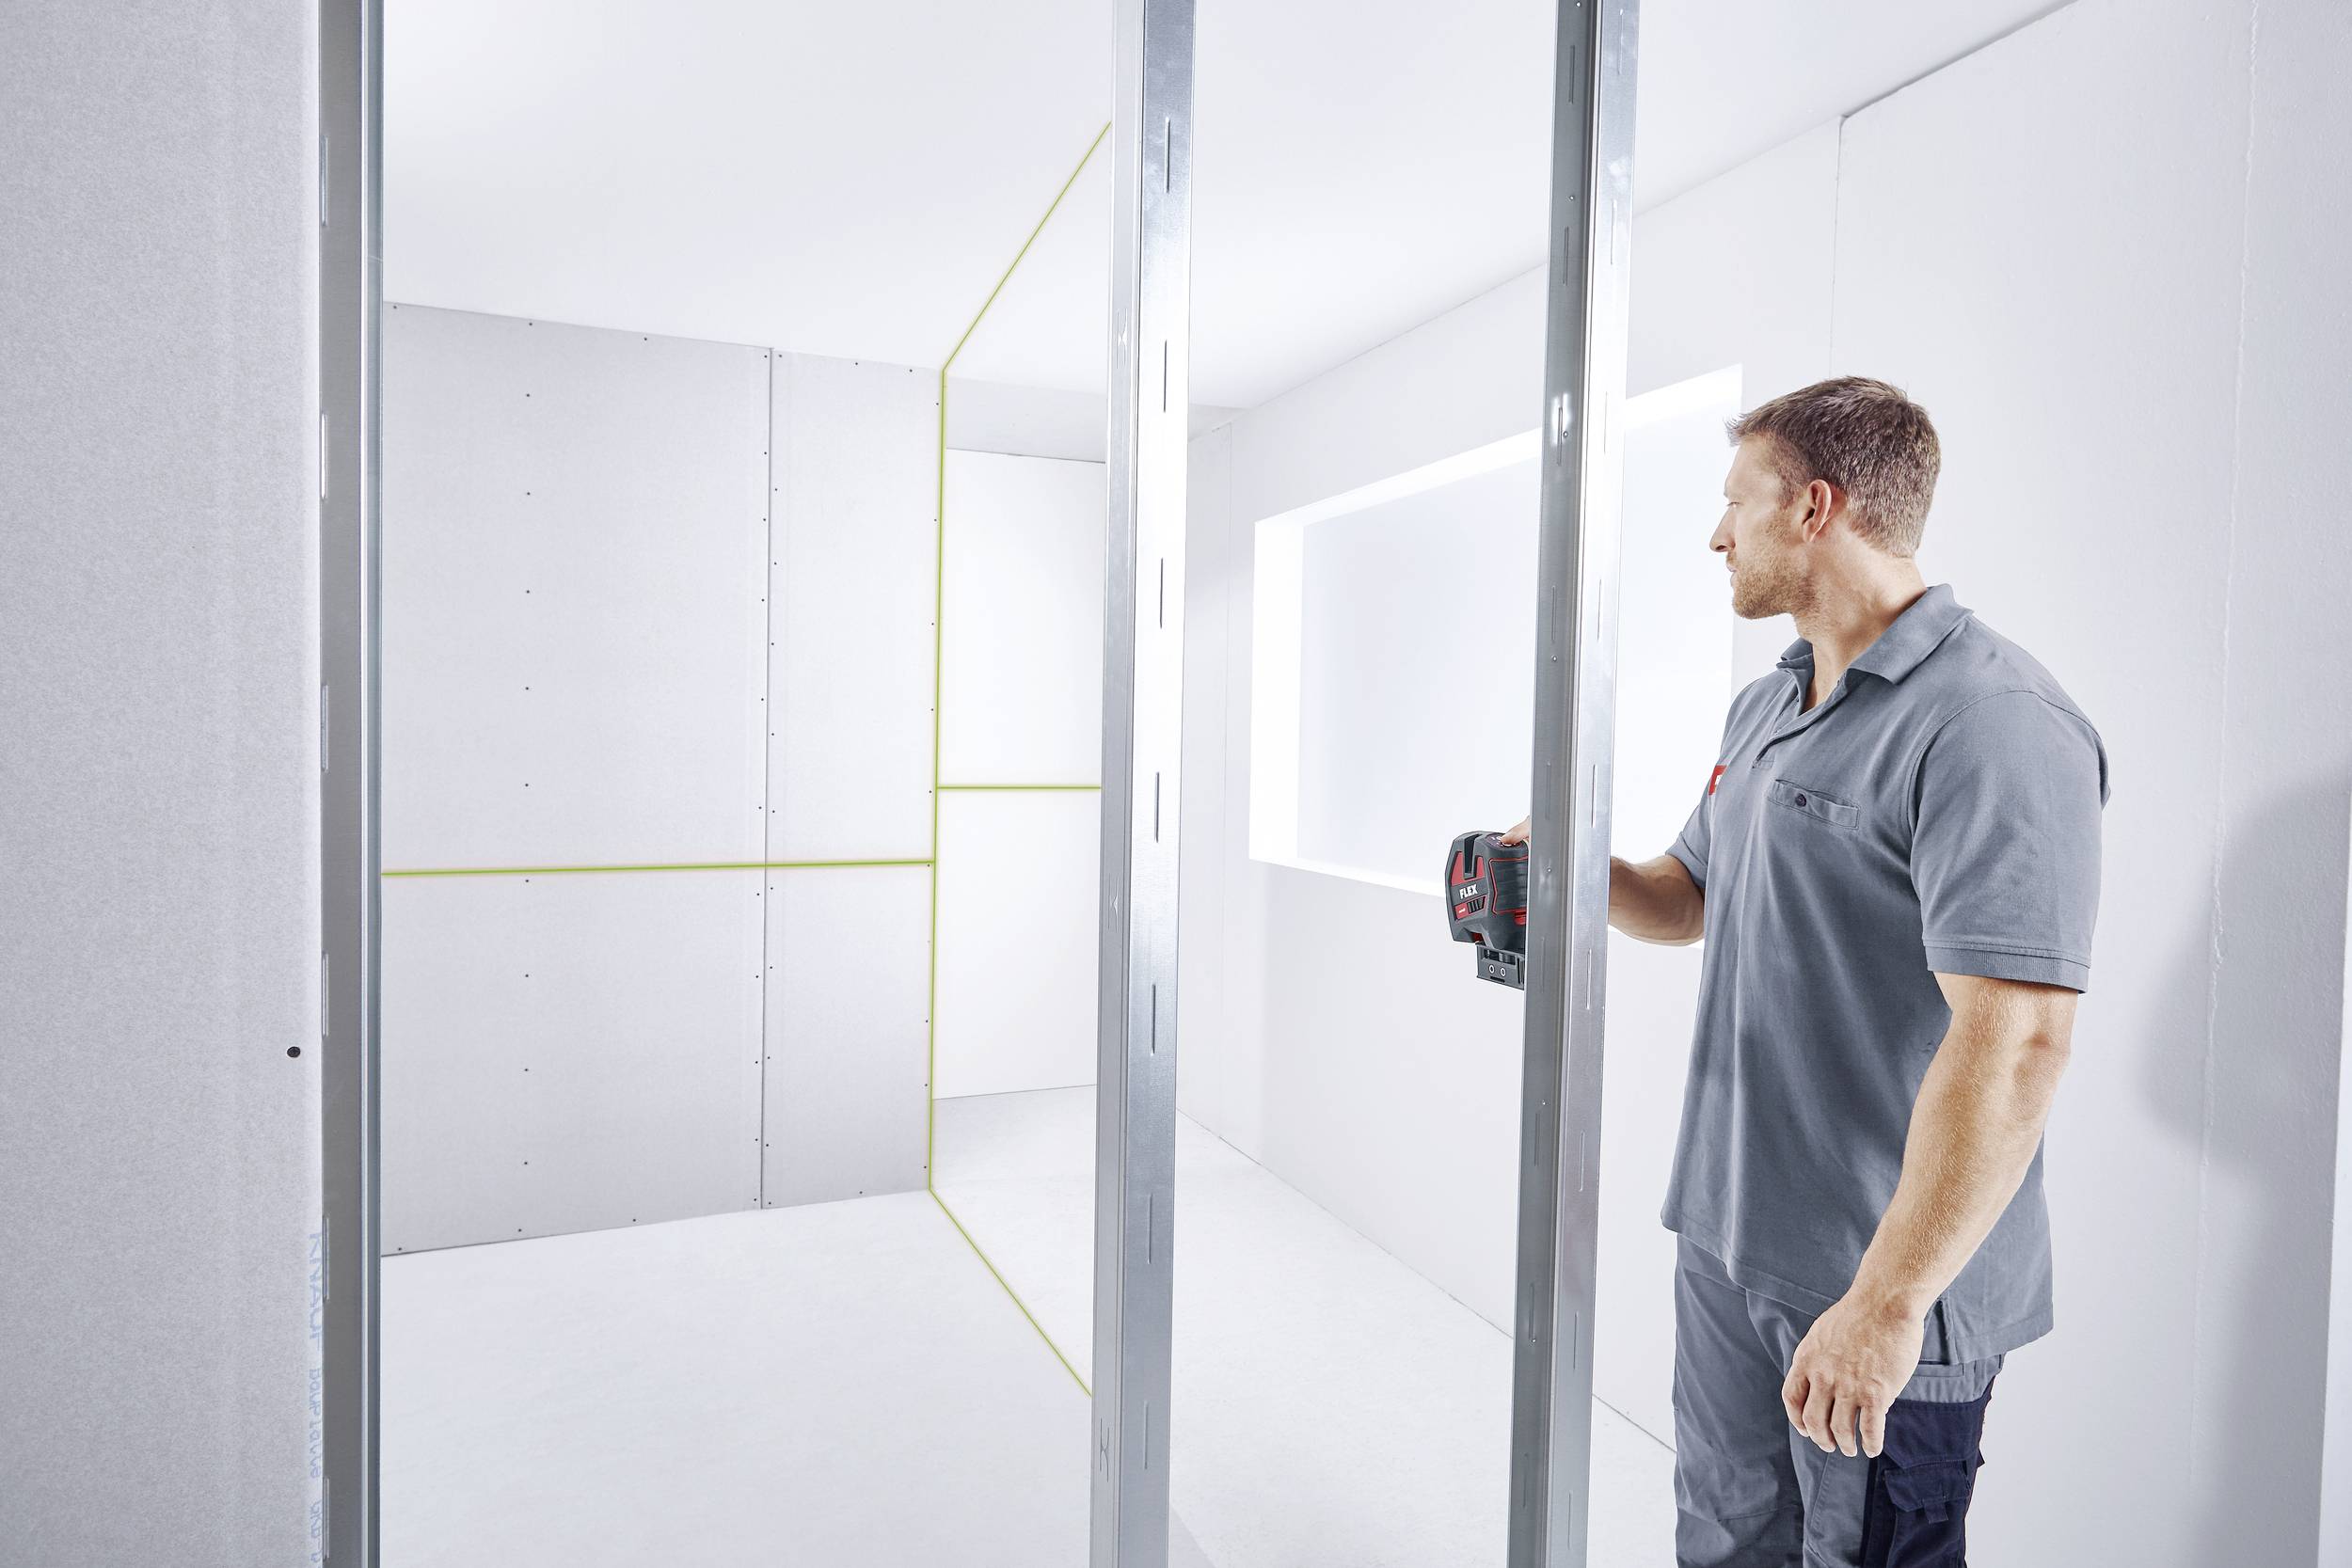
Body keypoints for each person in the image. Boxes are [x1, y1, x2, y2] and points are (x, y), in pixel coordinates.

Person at [1502, 376, 2106, 1567]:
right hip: (1731, 1238)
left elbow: (2018, 1039)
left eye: (1736, 502)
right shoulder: (1769, 701)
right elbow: (1692, 894)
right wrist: (1576, 869)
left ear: (1814, 507)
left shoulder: (1992, 721)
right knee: (1723, 1545)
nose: (1716, 534)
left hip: (1876, 1275)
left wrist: (1885, 1305)